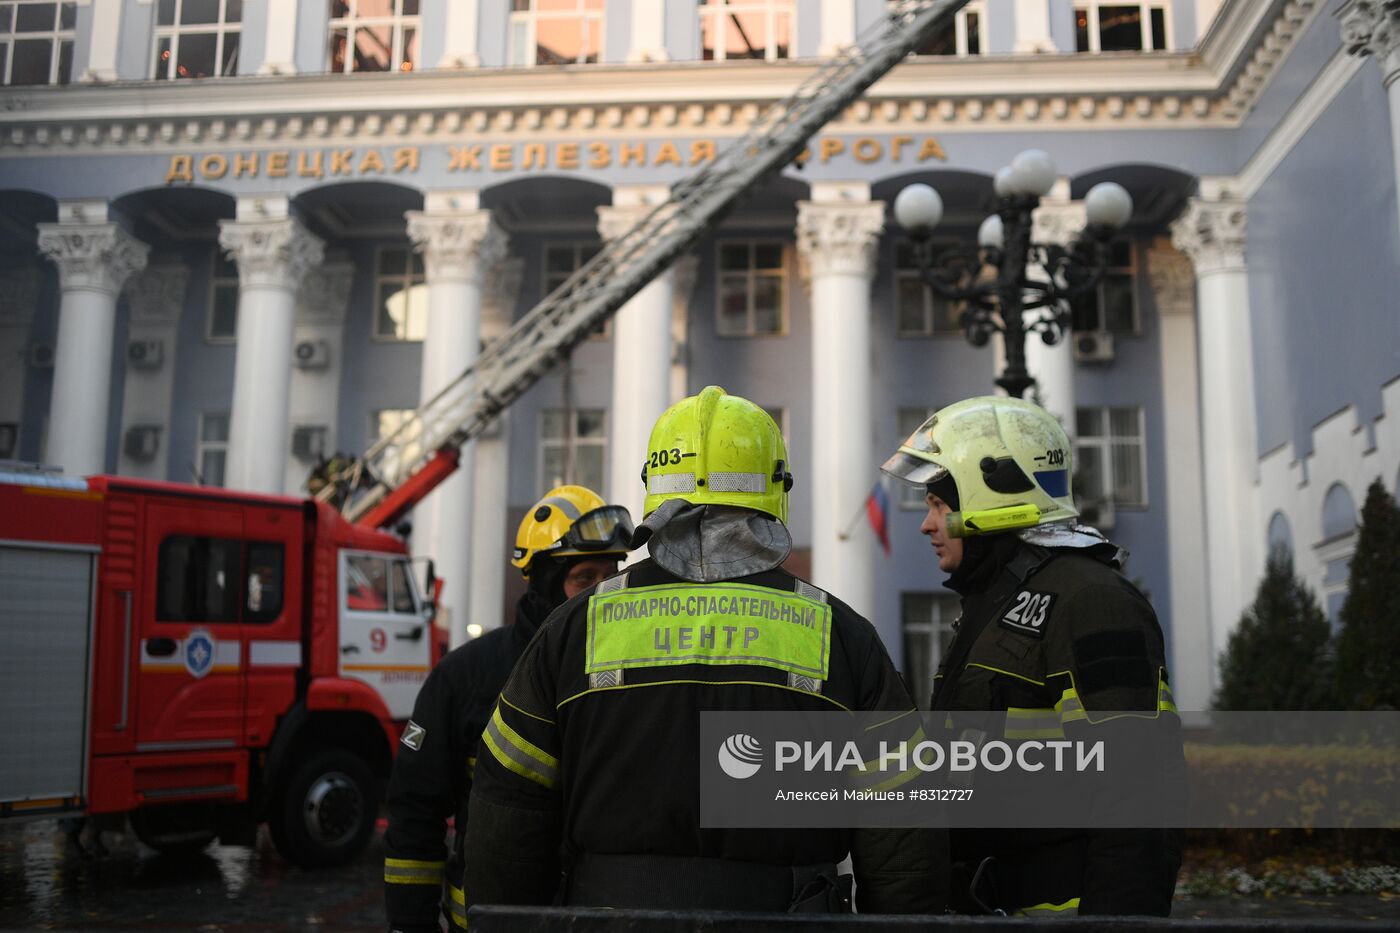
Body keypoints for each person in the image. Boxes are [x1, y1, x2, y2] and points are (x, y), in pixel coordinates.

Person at [463, 385, 947, 915]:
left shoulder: (571, 629)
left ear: (654, 486)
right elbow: (900, 825)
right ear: (776, 486)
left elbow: (509, 809)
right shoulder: (840, 633)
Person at [881, 395, 1183, 917]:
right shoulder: (1000, 600)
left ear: (989, 494)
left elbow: (1140, 796)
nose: (927, 526)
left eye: (938, 505)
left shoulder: (1092, 600)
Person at [383, 485, 634, 933]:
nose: (602, 595)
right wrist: (410, 924)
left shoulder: (634, 675)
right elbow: (415, 816)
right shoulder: (464, 677)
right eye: (585, 578)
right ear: (543, 584)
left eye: (611, 577)